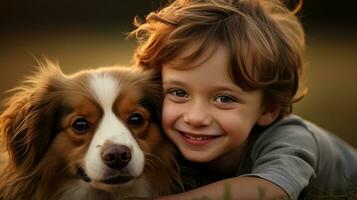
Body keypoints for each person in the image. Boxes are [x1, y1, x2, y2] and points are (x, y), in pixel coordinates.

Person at [130, 0, 357, 199]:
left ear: (268, 108)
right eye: (179, 93)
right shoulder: (166, 137)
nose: (195, 117)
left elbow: (270, 191)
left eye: (224, 98)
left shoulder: (290, 138)